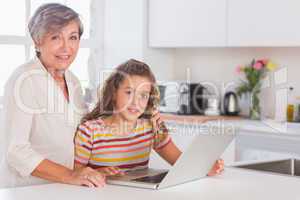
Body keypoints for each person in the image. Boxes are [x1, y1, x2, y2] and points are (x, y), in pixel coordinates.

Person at [0, 3, 105, 188]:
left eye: (73, 37)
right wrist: (71, 175)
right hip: (28, 190)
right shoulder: (23, 81)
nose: (66, 47)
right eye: (56, 37)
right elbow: (16, 151)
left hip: (62, 188)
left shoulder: (72, 81)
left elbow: (76, 138)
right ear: (37, 41)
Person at [74, 59, 224, 177]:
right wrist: (96, 173)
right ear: (114, 93)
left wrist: (204, 167)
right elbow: (76, 175)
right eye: (128, 92)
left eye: (143, 95)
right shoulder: (89, 132)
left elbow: (180, 162)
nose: (135, 102)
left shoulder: (150, 127)